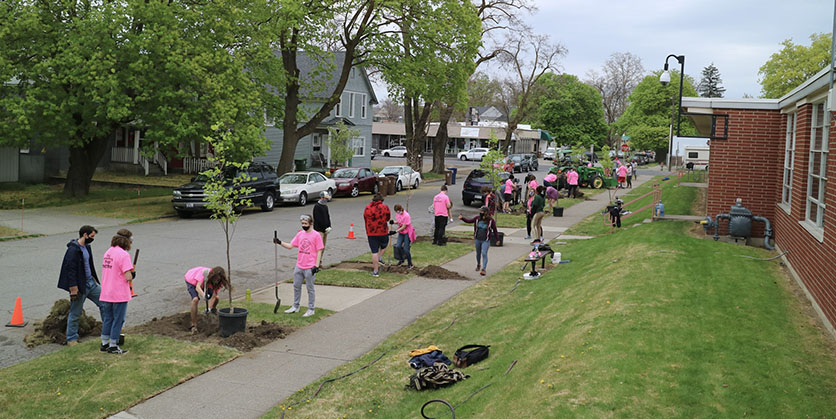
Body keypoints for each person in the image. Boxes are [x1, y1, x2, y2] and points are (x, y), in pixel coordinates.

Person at [57, 225, 102, 347]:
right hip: (79, 286)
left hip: (91, 283)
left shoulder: (87, 247)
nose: (93, 239)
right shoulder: (73, 250)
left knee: (105, 302)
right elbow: (70, 270)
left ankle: (108, 330)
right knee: (75, 313)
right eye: (92, 236)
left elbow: (89, 265)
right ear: (85, 235)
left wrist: (95, 280)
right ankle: (71, 339)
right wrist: (73, 289)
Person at [275, 215, 324, 317]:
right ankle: (295, 306)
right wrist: (279, 242)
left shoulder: (316, 235)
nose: (304, 226)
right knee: (296, 286)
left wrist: (316, 265)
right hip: (299, 265)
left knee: (310, 288)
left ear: (311, 224)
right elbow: (290, 246)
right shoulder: (300, 234)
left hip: (310, 266)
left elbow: (319, 250)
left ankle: (311, 309)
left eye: (305, 224)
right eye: (302, 224)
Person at [99, 229, 135, 354]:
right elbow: (128, 276)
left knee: (108, 318)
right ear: (127, 241)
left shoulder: (108, 252)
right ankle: (113, 345)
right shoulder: (124, 255)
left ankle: (104, 343)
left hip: (106, 291)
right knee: (118, 319)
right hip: (119, 293)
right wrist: (132, 274)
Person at [184, 266, 230, 334]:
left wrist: (209, 308)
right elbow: (197, 287)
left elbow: (214, 295)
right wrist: (203, 295)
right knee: (195, 300)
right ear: (213, 276)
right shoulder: (204, 274)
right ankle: (194, 325)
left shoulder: (219, 281)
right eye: (216, 278)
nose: (217, 280)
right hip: (192, 280)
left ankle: (212, 310)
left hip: (206, 283)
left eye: (218, 279)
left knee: (216, 298)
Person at [458, 206, 498, 276]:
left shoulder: (491, 221)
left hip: (485, 240)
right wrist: (462, 218)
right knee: (478, 253)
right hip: (477, 239)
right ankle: (478, 264)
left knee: (484, 253)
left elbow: (495, 230)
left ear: (486, 212)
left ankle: (484, 269)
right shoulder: (477, 219)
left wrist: (497, 239)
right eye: (480, 211)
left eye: (482, 211)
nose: (480, 213)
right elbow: (469, 221)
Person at [363, 194, 391, 277]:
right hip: (382, 231)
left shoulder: (367, 208)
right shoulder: (385, 207)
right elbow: (388, 218)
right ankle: (380, 256)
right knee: (385, 244)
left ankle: (375, 271)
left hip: (371, 232)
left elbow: (365, 218)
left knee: (374, 251)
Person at [393, 204, 416, 268]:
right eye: (396, 211)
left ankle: (410, 264)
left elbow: (404, 226)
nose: (397, 212)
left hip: (407, 232)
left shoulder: (406, 215)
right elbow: (399, 222)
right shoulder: (398, 214)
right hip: (401, 232)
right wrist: (394, 222)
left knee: (406, 249)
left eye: (398, 211)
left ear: (401, 209)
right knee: (398, 246)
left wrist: (395, 231)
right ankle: (401, 260)